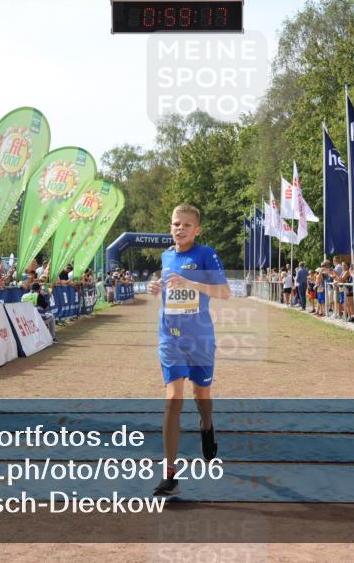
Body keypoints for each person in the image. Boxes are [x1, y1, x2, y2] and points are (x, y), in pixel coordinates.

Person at [147, 203, 229, 497]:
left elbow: (225, 292)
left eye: (185, 225)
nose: (179, 229)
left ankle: (206, 425)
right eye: (175, 224)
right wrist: (156, 288)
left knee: (201, 395)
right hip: (170, 337)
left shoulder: (206, 255)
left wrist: (190, 283)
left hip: (200, 339)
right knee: (173, 398)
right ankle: (170, 474)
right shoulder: (167, 256)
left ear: (197, 230)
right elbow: (170, 292)